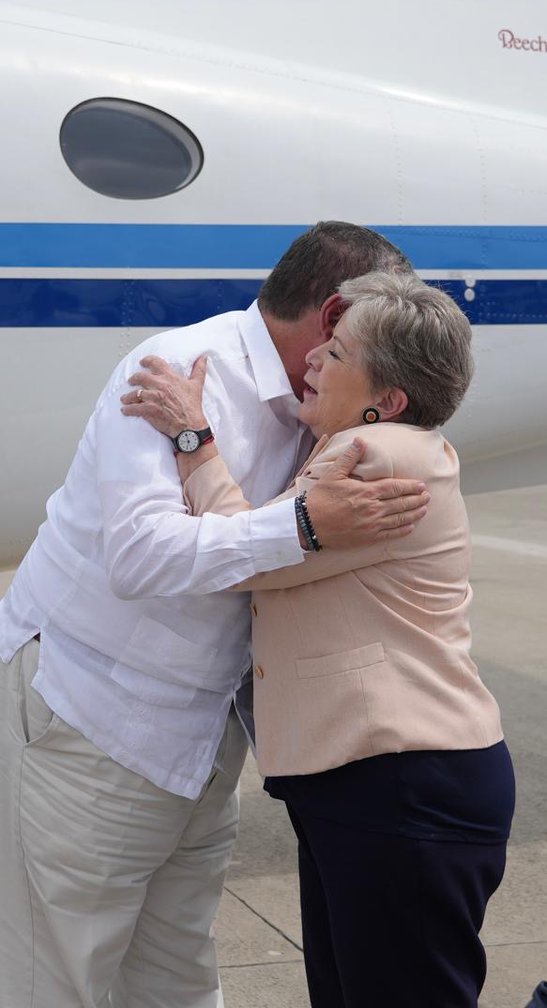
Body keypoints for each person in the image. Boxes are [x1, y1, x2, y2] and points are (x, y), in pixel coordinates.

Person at [0, 223, 430, 1008]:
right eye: (375, 323)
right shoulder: (172, 372)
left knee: (176, 981)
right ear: (333, 314)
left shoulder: (327, 408)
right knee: (53, 981)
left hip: (199, 745)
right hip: (90, 723)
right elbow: (141, 558)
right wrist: (300, 525)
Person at [131, 271, 516, 1008]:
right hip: (382, 779)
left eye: (335, 354)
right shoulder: (385, 443)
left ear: (387, 397)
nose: (310, 360)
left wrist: (193, 438)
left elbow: (247, 553)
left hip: (400, 780)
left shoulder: (368, 458)